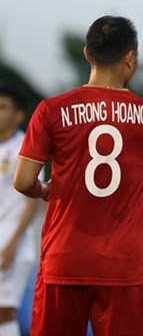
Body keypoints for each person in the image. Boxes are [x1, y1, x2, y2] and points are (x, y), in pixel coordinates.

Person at [12, 15, 143, 336]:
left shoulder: (51, 110)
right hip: (122, 268)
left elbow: (22, 181)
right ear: (131, 58)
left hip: (63, 262)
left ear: (87, 54)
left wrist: (44, 191)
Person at [0, 86, 39, 336]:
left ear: (18, 115)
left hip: (11, 243)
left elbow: (31, 201)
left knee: (4, 313)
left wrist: (12, 244)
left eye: (3, 108)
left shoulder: (26, 147)